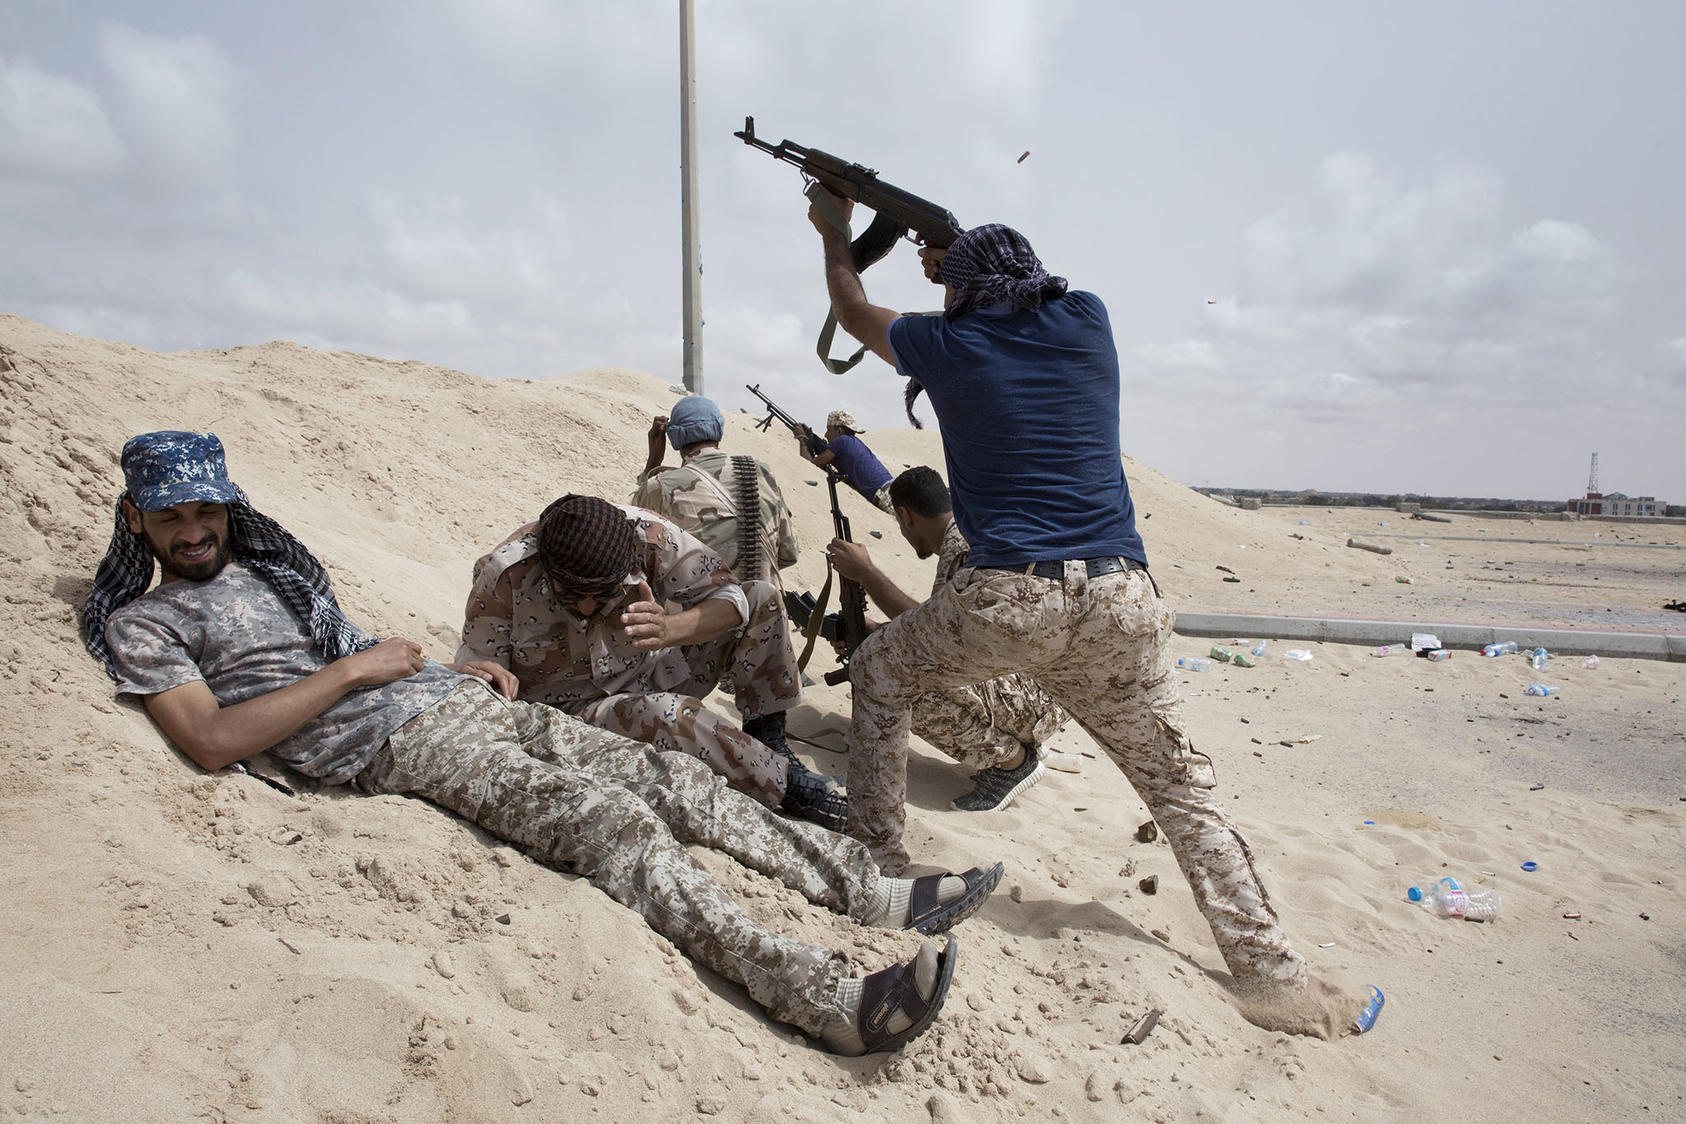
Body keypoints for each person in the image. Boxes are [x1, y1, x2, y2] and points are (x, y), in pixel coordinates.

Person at [82, 430, 1007, 1055]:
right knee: (615, 828)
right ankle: (834, 1002)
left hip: (458, 702)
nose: (196, 533)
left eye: (206, 513)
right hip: (398, 741)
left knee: (677, 784)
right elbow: (209, 739)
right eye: (172, 519)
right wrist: (356, 672)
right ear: (137, 521)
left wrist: (453, 672)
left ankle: (876, 894)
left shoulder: (273, 571)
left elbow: (730, 594)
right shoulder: (147, 621)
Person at [803, 198, 1379, 1037]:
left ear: (959, 292)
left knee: (884, 669)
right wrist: (954, 256)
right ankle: (1272, 974)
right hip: (1122, 599)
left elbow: (852, 311)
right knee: (1180, 790)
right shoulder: (1087, 319)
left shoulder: (948, 345)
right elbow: (1005, 283)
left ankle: (882, 868)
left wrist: (833, 231)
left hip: (1013, 597)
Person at [457, 495, 846, 832]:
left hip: (652, 670)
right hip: (575, 712)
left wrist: (671, 628)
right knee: (670, 713)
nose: (589, 607)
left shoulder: (647, 535)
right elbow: (478, 667)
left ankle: (769, 740)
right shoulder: (505, 572)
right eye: (573, 596)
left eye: (604, 593)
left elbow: (733, 599)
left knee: (762, 597)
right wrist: (482, 674)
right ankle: (791, 787)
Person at [826, 465, 1070, 812]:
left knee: (902, 682)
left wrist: (866, 574)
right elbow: (946, 631)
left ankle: (1012, 761)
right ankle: (1014, 737)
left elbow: (936, 635)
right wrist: (876, 630)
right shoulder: (972, 527)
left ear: (906, 516)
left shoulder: (962, 547)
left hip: (1037, 697)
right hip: (1041, 687)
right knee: (900, 655)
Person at [632, 395, 799, 584]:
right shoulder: (760, 471)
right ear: (719, 429)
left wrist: (652, 464)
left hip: (697, 612)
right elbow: (789, 553)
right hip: (765, 609)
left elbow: (634, 546)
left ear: (674, 437)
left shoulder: (660, 487)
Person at [795, 409, 894, 513]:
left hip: (885, 495)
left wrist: (802, 439)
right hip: (892, 488)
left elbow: (811, 465)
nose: (826, 435)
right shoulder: (853, 443)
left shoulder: (842, 441)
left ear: (839, 430)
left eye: (829, 429)